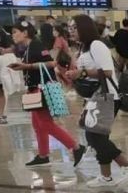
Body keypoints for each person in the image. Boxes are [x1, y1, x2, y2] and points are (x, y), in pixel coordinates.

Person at [65, 14, 128, 187]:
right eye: (69, 28)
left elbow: (107, 72)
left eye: (74, 27)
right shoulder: (84, 48)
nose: (71, 31)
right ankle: (106, 177)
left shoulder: (97, 45)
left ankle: (127, 165)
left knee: (94, 137)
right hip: (94, 97)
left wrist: (81, 73)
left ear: (84, 28)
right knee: (98, 136)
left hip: (106, 96)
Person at [7, 19, 86, 168]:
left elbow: (51, 63)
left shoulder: (36, 45)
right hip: (33, 89)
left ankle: (76, 147)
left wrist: (27, 66)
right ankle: (43, 155)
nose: (13, 36)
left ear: (25, 33)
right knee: (37, 124)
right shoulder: (28, 48)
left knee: (45, 124)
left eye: (15, 32)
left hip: (41, 89)